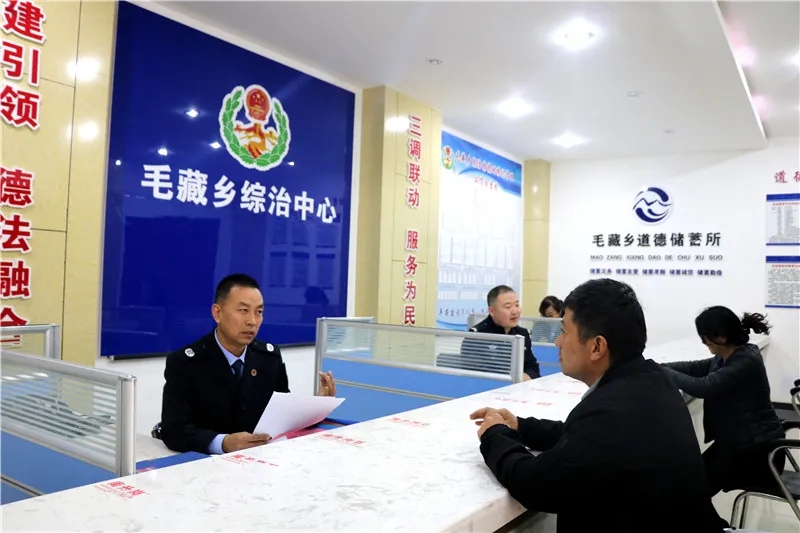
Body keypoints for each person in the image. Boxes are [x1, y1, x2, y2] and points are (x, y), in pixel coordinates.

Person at [470, 279, 722, 532]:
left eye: (564, 332)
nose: (557, 342)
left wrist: (494, 435)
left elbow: (534, 484)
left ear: (597, 346)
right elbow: (580, 439)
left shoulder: (610, 410)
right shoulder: (651, 380)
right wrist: (521, 427)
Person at [160, 274, 336, 455]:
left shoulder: (269, 358)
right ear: (217, 313)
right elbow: (173, 430)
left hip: (261, 461)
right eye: (243, 310)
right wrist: (222, 443)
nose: (252, 321)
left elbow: (283, 414)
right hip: (207, 464)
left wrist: (317, 407)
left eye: (259, 312)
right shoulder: (185, 363)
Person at [660, 306, 785, 523]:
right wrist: (657, 367)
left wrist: (664, 372)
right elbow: (695, 368)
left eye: (705, 338)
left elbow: (704, 387)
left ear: (720, 337)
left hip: (757, 453)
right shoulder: (728, 355)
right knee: (689, 486)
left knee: (691, 491)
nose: (704, 343)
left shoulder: (745, 361)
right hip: (736, 444)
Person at [461, 285, 540, 380]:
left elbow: (533, 367)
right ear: (492, 311)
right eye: (508, 307)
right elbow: (474, 376)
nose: (515, 311)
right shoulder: (476, 337)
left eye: (517, 305)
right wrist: (513, 378)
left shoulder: (522, 334)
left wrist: (527, 376)